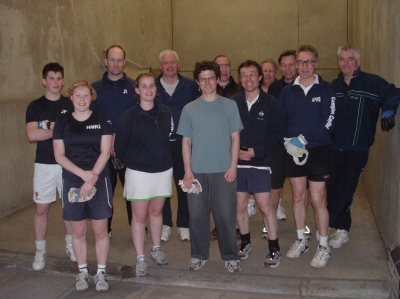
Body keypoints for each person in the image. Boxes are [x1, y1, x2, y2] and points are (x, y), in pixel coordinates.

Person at [326, 45, 400, 248]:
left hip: (357, 150)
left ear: (358, 62)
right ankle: (339, 226)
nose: (345, 63)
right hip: (333, 149)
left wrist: (388, 112)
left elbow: (393, 92)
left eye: (350, 59)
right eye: (342, 59)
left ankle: (341, 229)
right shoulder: (334, 86)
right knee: (332, 192)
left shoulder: (372, 83)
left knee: (347, 191)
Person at [177, 60, 243, 273]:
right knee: (197, 217)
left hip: (223, 171)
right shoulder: (189, 109)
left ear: (217, 79)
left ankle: (231, 256)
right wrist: (187, 170)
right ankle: (198, 254)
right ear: (197, 82)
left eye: (211, 78)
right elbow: (185, 141)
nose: (207, 82)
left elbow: (236, 138)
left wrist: (233, 166)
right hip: (196, 172)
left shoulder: (230, 106)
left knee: (225, 216)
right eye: (203, 79)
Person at [53, 80, 113, 292]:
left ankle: (102, 273)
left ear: (92, 97)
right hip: (73, 179)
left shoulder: (102, 119)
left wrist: (92, 176)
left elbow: (105, 152)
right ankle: (82, 272)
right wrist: (82, 176)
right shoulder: (62, 121)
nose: (81, 99)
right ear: (71, 97)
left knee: (100, 230)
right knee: (78, 231)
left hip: (99, 178)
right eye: (77, 95)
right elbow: (59, 155)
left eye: (85, 95)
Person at [280, 45, 335, 268]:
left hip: (319, 150)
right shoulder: (287, 92)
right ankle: (301, 240)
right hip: (294, 151)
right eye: (300, 62)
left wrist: (303, 139)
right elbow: (282, 121)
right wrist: (289, 142)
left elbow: (329, 123)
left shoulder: (326, 89)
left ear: (316, 63)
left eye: (309, 61)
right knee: (298, 196)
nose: (304, 66)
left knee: (317, 199)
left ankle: (323, 245)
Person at [115, 73, 173, 278]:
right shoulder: (128, 117)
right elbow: (119, 146)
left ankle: (156, 249)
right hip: (138, 173)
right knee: (139, 217)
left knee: (157, 212)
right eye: (144, 86)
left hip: (163, 170)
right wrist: (135, 161)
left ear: (156, 89)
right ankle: (140, 258)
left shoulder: (165, 112)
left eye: (152, 86)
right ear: (137, 90)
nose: (149, 89)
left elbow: (168, 140)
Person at [231, 60, 284, 267]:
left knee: (265, 205)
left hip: (260, 163)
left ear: (260, 76)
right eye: (244, 75)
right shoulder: (233, 102)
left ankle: (274, 247)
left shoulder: (271, 103)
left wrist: (256, 152)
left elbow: (276, 133)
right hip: (237, 163)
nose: (248, 79)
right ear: (240, 78)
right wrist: (235, 154)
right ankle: (245, 243)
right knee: (240, 205)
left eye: (252, 74)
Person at [25, 62, 75, 271]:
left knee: (70, 208)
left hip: (68, 164)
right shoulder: (35, 106)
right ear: (44, 81)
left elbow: (74, 133)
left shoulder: (71, 104)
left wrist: (47, 126)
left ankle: (72, 245)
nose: (55, 82)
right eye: (51, 78)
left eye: (59, 78)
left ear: (63, 81)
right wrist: (58, 129)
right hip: (44, 164)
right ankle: (40, 251)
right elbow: (32, 134)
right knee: (42, 208)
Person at [91, 45, 136, 236]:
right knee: (105, 191)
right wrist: (106, 142)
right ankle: (105, 228)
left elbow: (138, 117)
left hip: (129, 150)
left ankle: (137, 225)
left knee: (133, 191)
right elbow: (90, 118)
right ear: (105, 62)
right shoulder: (94, 89)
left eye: (119, 60)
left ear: (125, 62)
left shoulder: (134, 86)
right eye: (112, 59)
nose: (116, 64)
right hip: (103, 151)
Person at [155, 50, 199, 242]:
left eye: (173, 62)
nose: (170, 66)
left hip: (184, 144)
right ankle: (165, 224)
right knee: (162, 186)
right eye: (166, 63)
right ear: (160, 66)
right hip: (160, 146)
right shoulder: (152, 86)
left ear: (178, 65)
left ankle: (184, 224)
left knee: (184, 185)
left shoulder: (189, 86)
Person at [210, 54, 241, 240]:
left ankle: (234, 225)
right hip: (213, 147)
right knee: (215, 190)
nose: (223, 69)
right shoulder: (206, 90)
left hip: (234, 146)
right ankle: (217, 225)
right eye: (219, 66)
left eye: (227, 65)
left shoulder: (239, 90)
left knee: (233, 191)